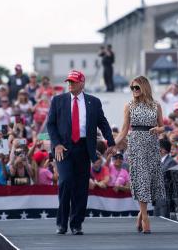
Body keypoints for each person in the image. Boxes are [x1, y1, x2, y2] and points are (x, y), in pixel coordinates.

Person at [47, 69, 116, 235]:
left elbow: (103, 123)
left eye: (73, 81)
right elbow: (51, 124)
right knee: (65, 182)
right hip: (63, 149)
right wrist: (56, 144)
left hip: (84, 149)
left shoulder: (94, 101)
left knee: (81, 187)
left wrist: (111, 142)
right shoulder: (58, 100)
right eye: (68, 81)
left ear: (82, 83)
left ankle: (76, 223)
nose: (70, 84)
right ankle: (62, 223)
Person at [114, 75, 166, 234]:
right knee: (142, 180)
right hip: (136, 144)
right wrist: (113, 144)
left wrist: (158, 130)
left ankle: (140, 214)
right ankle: (145, 219)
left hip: (152, 144)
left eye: (137, 87)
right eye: (132, 88)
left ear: (144, 87)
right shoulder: (128, 106)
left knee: (150, 182)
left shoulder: (156, 105)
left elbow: (162, 126)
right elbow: (124, 129)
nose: (134, 90)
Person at [154, 138, 177, 217]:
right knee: (156, 222)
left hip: (165, 198)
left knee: (163, 222)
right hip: (157, 197)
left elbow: (170, 180)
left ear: (163, 150)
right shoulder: (158, 161)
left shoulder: (171, 162)